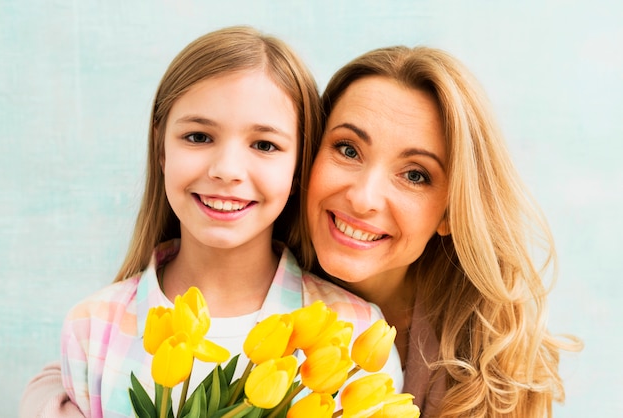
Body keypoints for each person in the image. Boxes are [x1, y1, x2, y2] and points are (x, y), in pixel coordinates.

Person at [21, 26, 403, 418]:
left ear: (298, 167)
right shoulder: (92, 329)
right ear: (161, 149)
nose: (227, 170)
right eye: (199, 137)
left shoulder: (352, 331)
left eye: (265, 145)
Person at [302, 45, 582, 417]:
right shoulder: (233, 292)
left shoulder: (494, 366)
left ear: (451, 212)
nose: (364, 198)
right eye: (348, 150)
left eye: (415, 174)